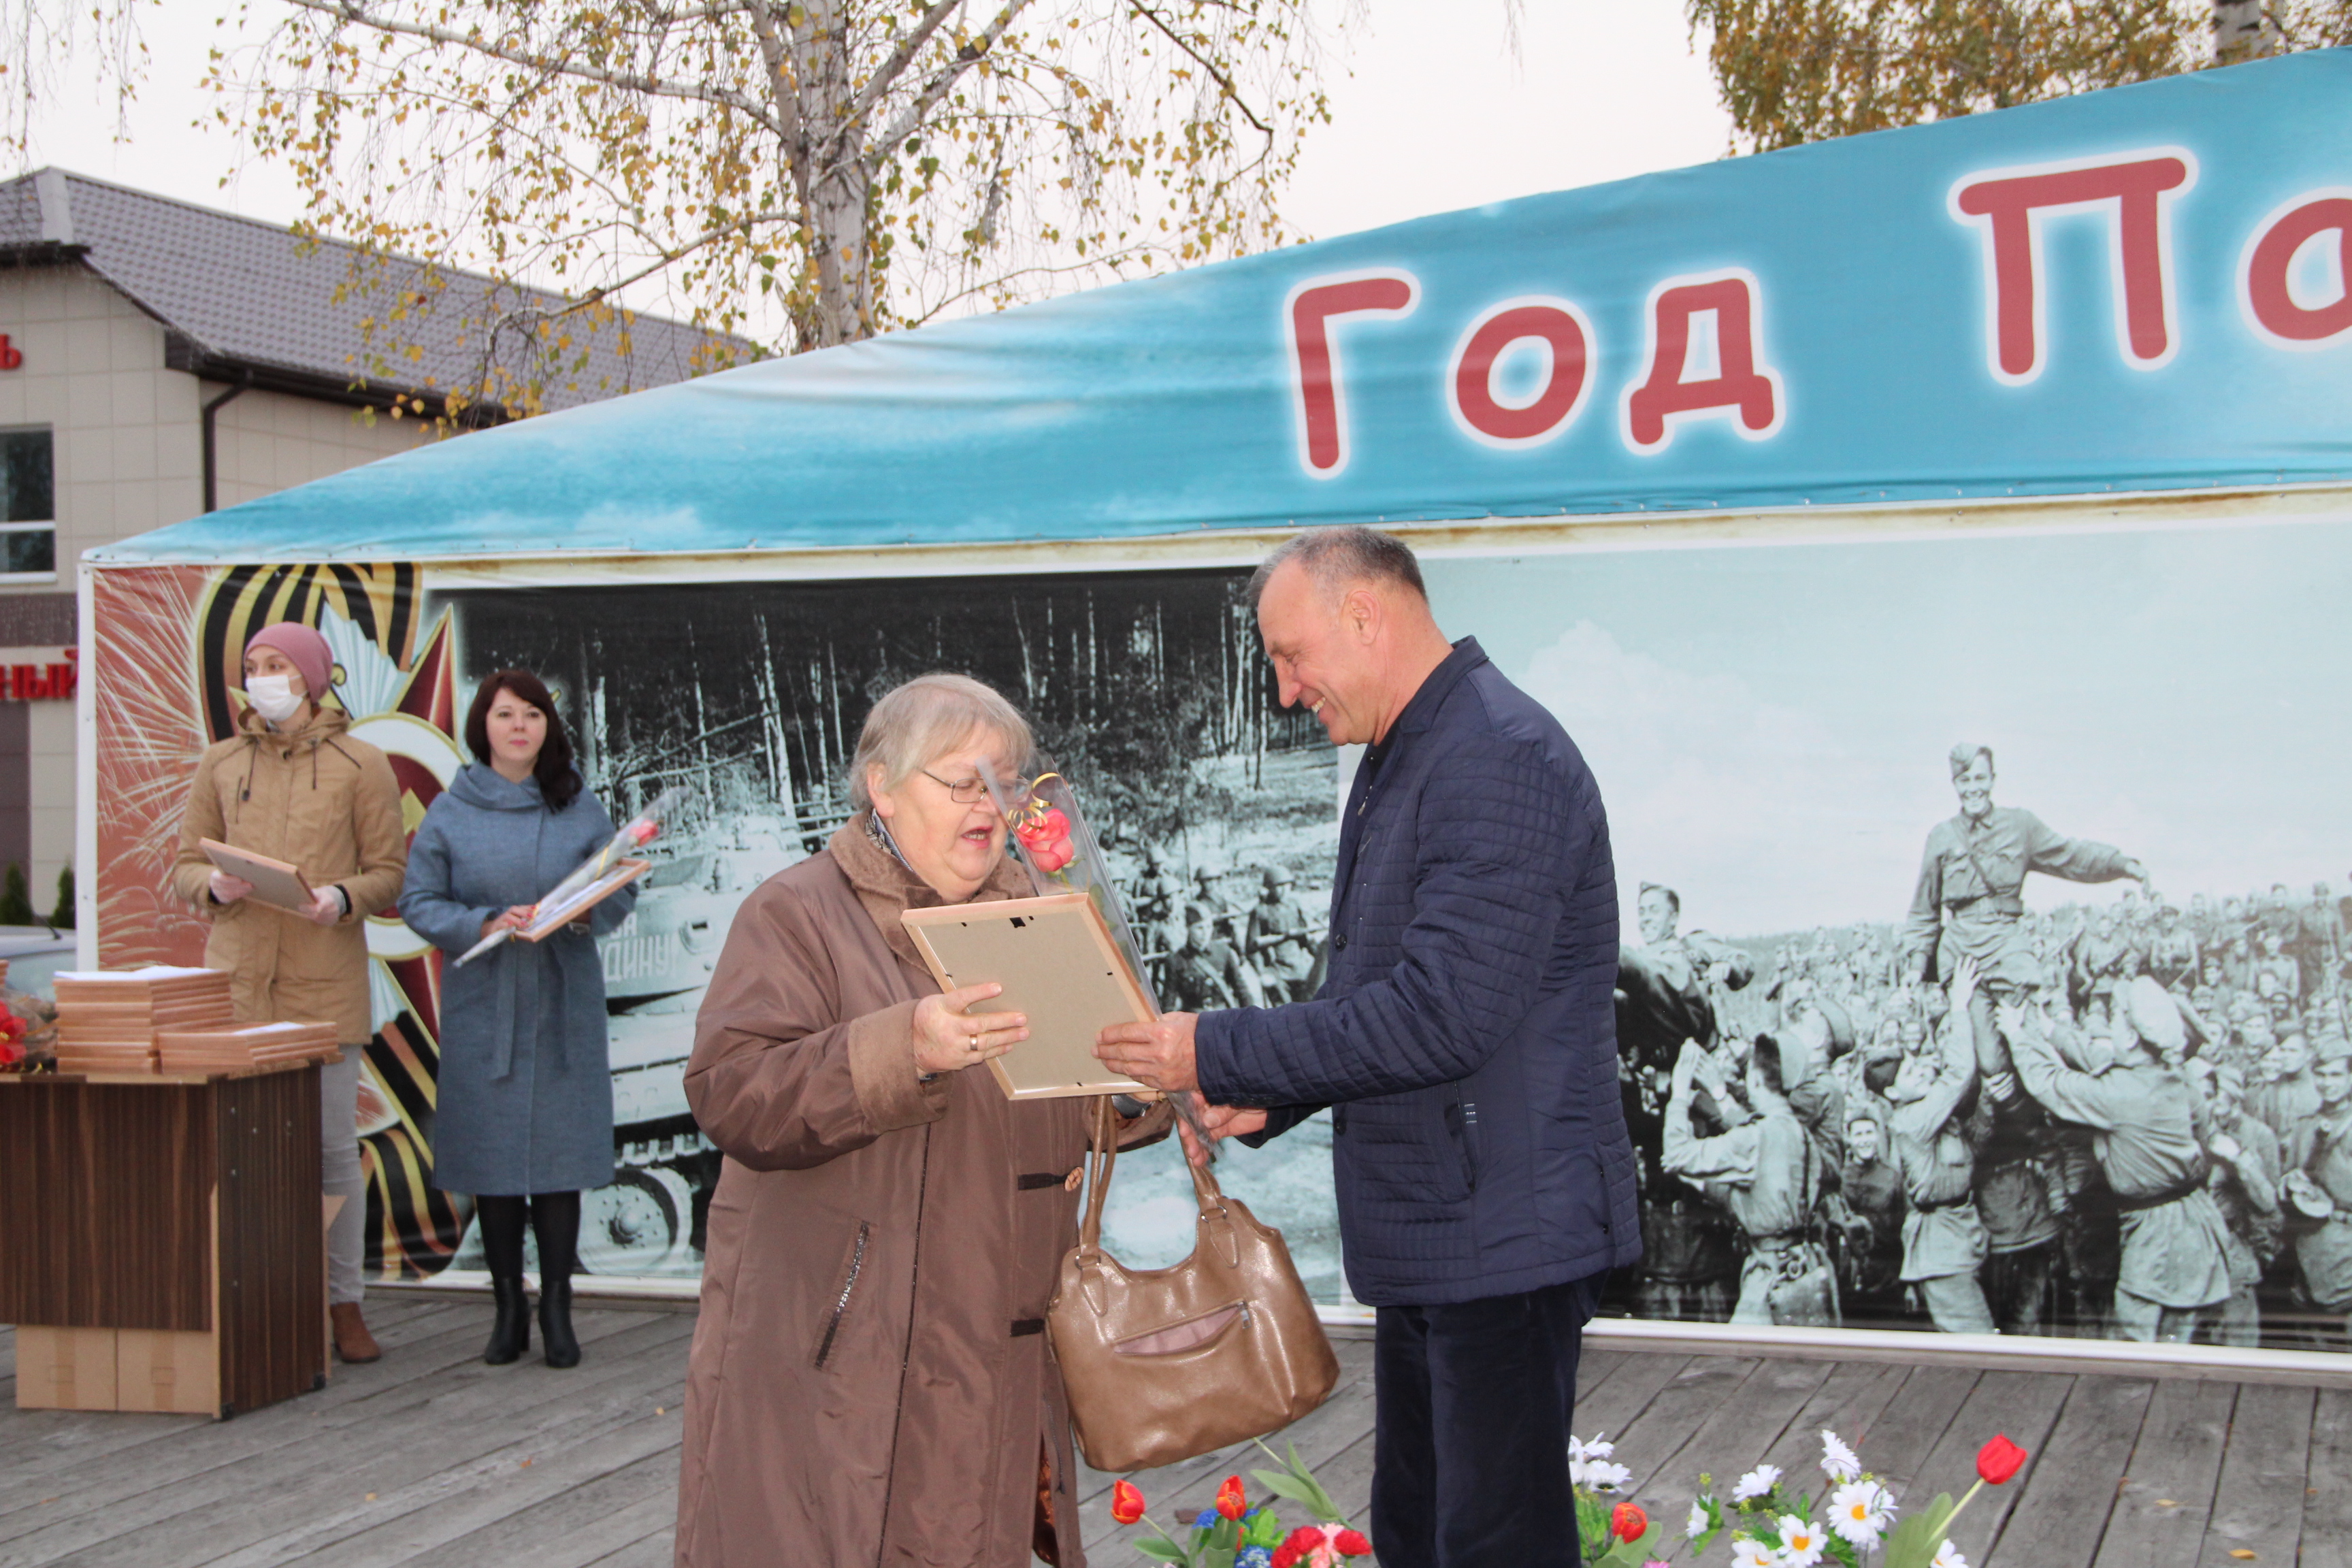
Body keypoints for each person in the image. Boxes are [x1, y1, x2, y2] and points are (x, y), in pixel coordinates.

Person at [1094, 527, 1639, 1568]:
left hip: (1502, 1241)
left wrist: (1213, 1048)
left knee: (1490, 1546)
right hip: (1447, 1234)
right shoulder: (1413, 752)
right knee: (1422, 1536)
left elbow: (1444, 1013)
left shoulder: (1497, 755)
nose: (1289, 693)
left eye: (1293, 658)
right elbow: (1371, 991)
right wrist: (1276, 1098)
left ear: (1365, 615)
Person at [674, 673, 1166, 1568]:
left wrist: (1138, 1087)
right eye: (962, 782)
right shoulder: (796, 914)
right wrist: (903, 1048)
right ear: (882, 787)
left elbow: (1073, 1105)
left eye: (1006, 783)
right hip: (850, 1353)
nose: (991, 807)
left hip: (1001, 1351)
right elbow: (732, 1092)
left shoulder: (1042, 914)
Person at [170, 621, 406, 1366]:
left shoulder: (359, 764)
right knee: (237, 1150)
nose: (262, 676)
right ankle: (254, 1303)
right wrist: (212, 884)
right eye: (252, 666)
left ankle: (344, 1304)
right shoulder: (220, 761)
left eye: (276, 665)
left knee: (333, 1153)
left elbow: (389, 873)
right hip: (238, 987)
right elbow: (182, 864)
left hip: (322, 989)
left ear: (311, 676)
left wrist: (341, 897)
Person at [397, 670, 639, 1370]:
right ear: (484, 726)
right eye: (506, 715)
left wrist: (587, 908)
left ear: (546, 728)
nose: (519, 727)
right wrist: (483, 921)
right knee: (494, 1163)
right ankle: (508, 1310)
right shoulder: (452, 810)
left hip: (562, 1001)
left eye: (532, 715)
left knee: (558, 1164)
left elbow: (613, 887)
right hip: (487, 1003)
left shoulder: (577, 803)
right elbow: (419, 901)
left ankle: (560, 1310)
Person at [2003, 981, 2234, 1343]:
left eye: (2115, 1020)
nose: (2110, 1029)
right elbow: (2101, 1061)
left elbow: (2051, 1083)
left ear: (2129, 1038)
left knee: (2135, 1338)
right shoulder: (2170, 1076)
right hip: (2195, 1220)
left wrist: (2017, 1035)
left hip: (2159, 1230)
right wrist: (2048, 1029)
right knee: (2180, 1338)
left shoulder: (2122, 1095)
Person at [1902, 742, 2147, 1077]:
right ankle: (2015, 1118)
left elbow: (2070, 856)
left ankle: (2105, 1077)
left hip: (2007, 941)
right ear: (1954, 784)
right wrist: (1916, 966)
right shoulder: (1942, 836)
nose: (1973, 788)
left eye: (1980, 778)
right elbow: (1923, 909)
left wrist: (2120, 864)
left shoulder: (2020, 826)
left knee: (2034, 1031)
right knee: (1989, 1062)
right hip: (1962, 952)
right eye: (1964, 781)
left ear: (1993, 779)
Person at [1661, 1036, 1835, 1326]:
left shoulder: (1756, 1137)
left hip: (1769, 1278)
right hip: (1803, 1267)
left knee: (1743, 1363)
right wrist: (1719, 1093)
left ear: (1754, 1078)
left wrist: (1679, 1091)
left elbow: (1677, 1152)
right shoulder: (1801, 1134)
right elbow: (1761, 1184)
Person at [1878, 959, 1993, 1334]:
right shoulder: (1912, 1120)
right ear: (1893, 1093)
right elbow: (1958, 1075)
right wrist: (1958, 1007)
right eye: (1912, 1073)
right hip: (1942, 1252)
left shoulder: (1933, 1116)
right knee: (1976, 1346)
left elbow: (1973, 1143)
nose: (1925, 1070)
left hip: (1960, 1236)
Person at [1245, 864, 1320, 1004]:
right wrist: (1261, 971)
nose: (1285, 890)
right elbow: (1251, 948)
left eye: (1287, 885)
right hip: (1276, 970)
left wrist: (1319, 953)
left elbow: (1306, 939)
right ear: (1269, 888)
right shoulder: (1261, 911)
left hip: (1300, 969)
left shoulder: (1295, 905)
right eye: (1279, 886)